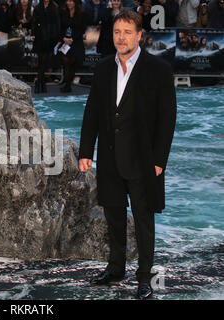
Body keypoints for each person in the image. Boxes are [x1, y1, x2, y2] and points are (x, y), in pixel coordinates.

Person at [78, 10, 176, 299]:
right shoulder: (104, 68)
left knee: (144, 221)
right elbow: (92, 112)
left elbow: (167, 118)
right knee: (115, 217)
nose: (121, 38)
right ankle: (116, 268)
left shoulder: (158, 69)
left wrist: (160, 160)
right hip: (109, 159)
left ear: (140, 36)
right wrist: (86, 151)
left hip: (144, 161)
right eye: (117, 32)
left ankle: (144, 278)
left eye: (127, 32)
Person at [32, 0, 60, 93]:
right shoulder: (37, 7)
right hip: (40, 37)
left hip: (51, 37)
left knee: (45, 60)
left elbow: (57, 23)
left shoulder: (54, 7)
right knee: (41, 61)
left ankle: (40, 82)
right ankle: (41, 82)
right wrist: (33, 33)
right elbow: (34, 22)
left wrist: (57, 37)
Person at [58, 0, 86, 93]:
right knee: (66, 63)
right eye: (68, 1)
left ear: (75, 2)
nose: (69, 3)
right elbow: (60, 27)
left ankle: (68, 84)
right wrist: (64, 38)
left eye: (71, 1)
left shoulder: (81, 14)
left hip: (76, 42)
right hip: (65, 41)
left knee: (73, 63)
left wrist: (72, 39)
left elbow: (82, 29)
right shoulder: (62, 12)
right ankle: (67, 83)